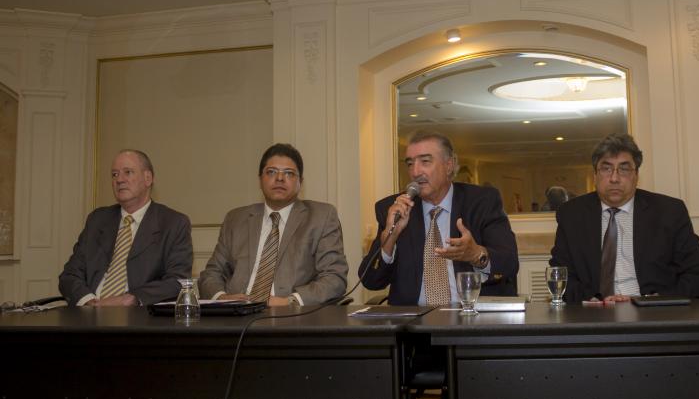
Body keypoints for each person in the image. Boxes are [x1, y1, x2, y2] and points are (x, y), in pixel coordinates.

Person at [550, 133, 699, 302]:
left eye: (624, 169)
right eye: (606, 169)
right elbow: (560, 275)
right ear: (595, 176)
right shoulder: (572, 215)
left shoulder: (669, 212)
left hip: (651, 315)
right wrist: (592, 300)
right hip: (595, 314)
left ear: (636, 175)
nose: (614, 178)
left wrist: (657, 300)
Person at [360, 131, 519, 305]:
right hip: (413, 322)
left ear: (449, 165)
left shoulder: (482, 202)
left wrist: (476, 254)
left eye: (425, 161)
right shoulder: (394, 209)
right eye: (410, 163)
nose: (415, 171)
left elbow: (509, 263)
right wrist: (390, 237)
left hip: (469, 318)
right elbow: (371, 281)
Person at [198, 143, 348, 306]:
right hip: (236, 314)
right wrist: (221, 298)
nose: (279, 178)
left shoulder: (321, 217)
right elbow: (211, 274)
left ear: (300, 182)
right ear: (260, 179)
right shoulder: (236, 219)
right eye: (271, 172)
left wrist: (290, 301)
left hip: (291, 317)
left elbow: (334, 278)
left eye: (289, 173)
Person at [59, 150, 192, 306]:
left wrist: (131, 299)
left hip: (138, 319)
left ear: (147, 178)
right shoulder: (97, 220)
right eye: (114, 174)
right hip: (88, 315)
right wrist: (89, 302)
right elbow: (69, 275)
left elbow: (177, 281)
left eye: (127, 172)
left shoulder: (173, 223)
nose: (119, 180)